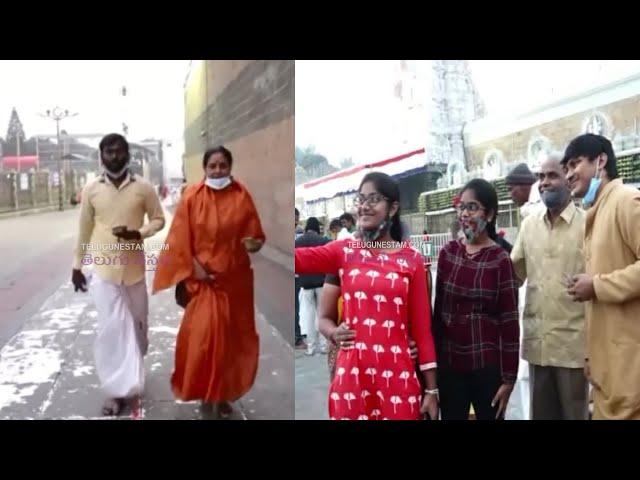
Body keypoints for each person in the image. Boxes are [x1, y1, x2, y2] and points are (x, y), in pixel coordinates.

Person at [295, 172, 438, 420]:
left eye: (374, 199)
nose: (364, 206)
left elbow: (423, 332)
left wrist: (432, 389)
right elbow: (298, 260)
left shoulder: (412, 259)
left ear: (393, 208)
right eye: (361, 199)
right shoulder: (345, 251)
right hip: (353, 378)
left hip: (398, 378)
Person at [152, 146, 265, 419]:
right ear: (205, 168)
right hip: (202, 284)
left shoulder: (242, 196)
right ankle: (206, 396)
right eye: (212, 166)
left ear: (230, 166)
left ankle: (223, 393)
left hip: (233, 283)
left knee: (231, 343)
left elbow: (256, 235)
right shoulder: (192, 196)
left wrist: (254, 244)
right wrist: (194, 268)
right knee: (202, 341)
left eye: (222, 165)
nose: (217, 170)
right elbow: (178, 240)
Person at [71, 133, 165, 416]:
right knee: (111, 332)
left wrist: (140, 233)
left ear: (127, 154)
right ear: (101, 156)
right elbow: (84, 230)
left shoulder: (144, 188)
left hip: (135, 271)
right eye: (109, 152)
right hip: (104, 272)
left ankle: (133, 373)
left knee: (138, 332)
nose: (114, 156)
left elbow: (159, 219)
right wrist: (77, 266)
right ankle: (115, 392)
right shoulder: (91, 190)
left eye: (119, 151)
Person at [562, 133, 640, 419]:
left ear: (601, 161)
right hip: (607, 373)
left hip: (631, 372)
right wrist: (590, 355)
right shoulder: (596, 212)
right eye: (566, 168)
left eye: (574, 164)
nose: (569, 175)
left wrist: (595, 285)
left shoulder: (626, 201)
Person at [433, 178, 519, 420]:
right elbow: (438, 312)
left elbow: (510, 322)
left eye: (472, 207)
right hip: (450, 368)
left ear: (489, 214)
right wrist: (432, 367)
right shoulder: (448, 253)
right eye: (461, 207)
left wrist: (509, 379)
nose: (465, 214)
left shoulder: (500, 260)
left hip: (487, 369)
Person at [511, 153, 588, 420]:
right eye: (541, 177)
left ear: (568, 178)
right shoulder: (529, 225)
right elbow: (513, 275)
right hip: (538, 345)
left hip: (574, 349)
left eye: (552, 175)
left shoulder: (588, 225)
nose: (544, 182)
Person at [296, 217, 331, 355]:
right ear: (317, 227)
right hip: (321, 281)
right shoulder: (323, 241)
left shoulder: (297, 242)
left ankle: (311, 347)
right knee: (322, 314)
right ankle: (324, 346)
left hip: (305, 283)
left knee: (309, 315)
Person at [295, 208, 306, 350]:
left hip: (298, 276)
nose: (296, 221)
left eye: (297, 218)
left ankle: (297, 334)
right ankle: (296, 338)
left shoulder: (299, 233)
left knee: (298, 306)